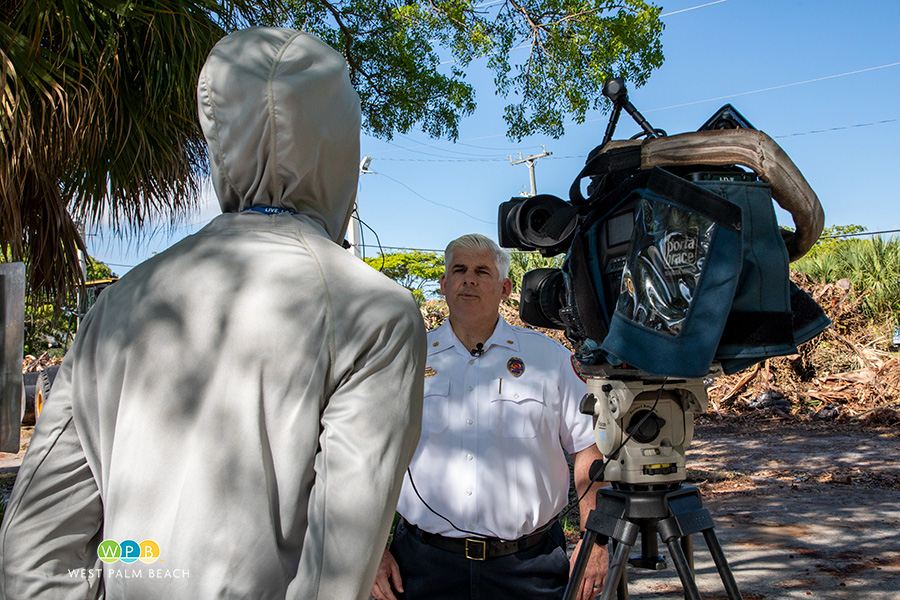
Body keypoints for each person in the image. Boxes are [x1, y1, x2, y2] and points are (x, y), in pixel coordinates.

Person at [0, 27, 426, 600]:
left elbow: (35, 547)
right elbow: (335, 571)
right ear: (338, 143)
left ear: (219, 133)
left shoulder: (122, 299)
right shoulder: (377, 313)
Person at [370, 234, 608, 600]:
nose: (469, 279)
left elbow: (589, 449)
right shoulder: (407, 357)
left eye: (482, 271)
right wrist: (371, 550)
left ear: (505, 287)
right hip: (422, 565)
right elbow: (370, 456)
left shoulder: (550, 359)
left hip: (531, 567)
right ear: (444, 284)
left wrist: (596, 541)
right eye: (459, 270)